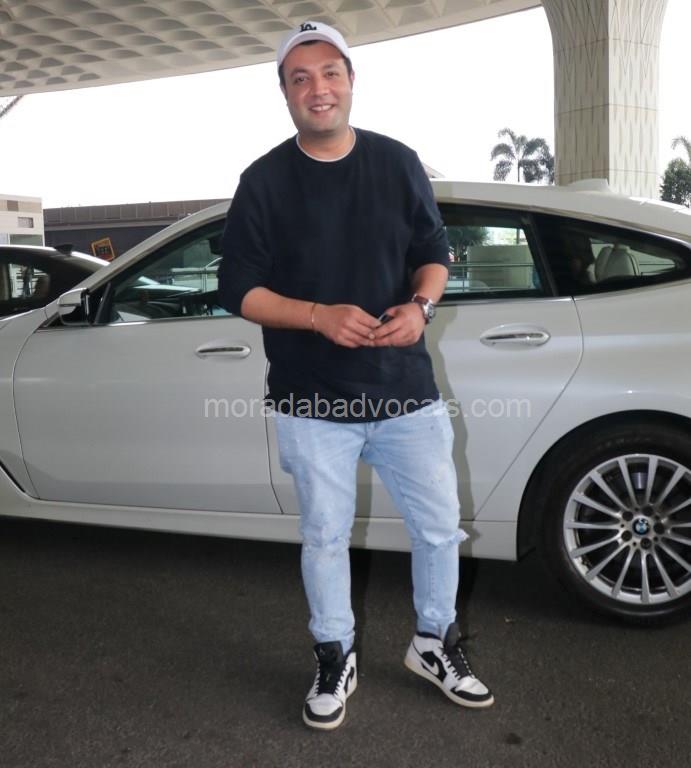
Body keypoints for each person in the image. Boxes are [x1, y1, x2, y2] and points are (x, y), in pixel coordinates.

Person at [218, 20, 494, 730]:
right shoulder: (263, 181)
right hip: (312, 399)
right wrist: (317, 316)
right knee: (324, 537)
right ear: (284, 92)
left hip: (404, 390)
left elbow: (433, 251)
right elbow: (238, 290)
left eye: (329, 73)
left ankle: (433, 643)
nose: (318, 89)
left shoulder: (397, 162)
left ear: (350, 81)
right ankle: (334, 654)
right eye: (300, 78)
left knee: (439, 530)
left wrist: (421, 307)